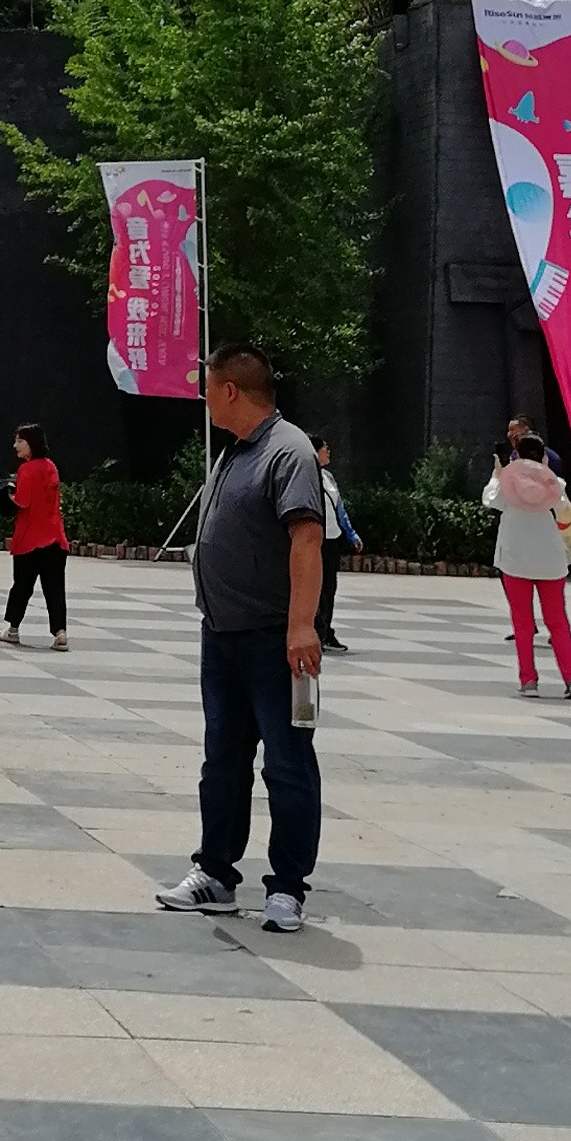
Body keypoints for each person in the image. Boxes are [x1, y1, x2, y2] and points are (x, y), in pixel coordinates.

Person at [155, 340, 325, 933]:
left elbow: (307, 539)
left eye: (208, 389)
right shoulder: (236, 450)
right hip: (223, 634)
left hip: (273, 639)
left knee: (287, 762)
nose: (204, 400)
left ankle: (288, 889)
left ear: (230, 390)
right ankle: (216, 875)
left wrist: (302, 625)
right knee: (223, 761)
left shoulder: (288, 451)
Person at [483, 433, 571, 700]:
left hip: (515, 558)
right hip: (550, 560)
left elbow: (491, 500)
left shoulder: (506, 484)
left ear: (516, 455)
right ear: (543, 457)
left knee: (522, 623)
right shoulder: (555, 483)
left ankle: (529, 680)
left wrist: (497, 474)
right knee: (557, 621)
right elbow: (563, 508)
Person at [0, 423, 68, 648]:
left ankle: (13, 629)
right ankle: (60, 633)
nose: (15, 445)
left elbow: (23, 501)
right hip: (55, 537)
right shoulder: (51, 466)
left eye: (20, 441)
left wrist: (8, 495)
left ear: (32, 443)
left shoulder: (27, 469)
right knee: (54, 588)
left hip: (30, 539)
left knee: (22, 586)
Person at [314, 437, 358, 651]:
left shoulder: (328, 477)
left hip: (332, 539)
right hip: (315, 541)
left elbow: (339, 508)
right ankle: (317, 632)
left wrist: (351, 534)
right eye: (325, 448)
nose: (328, 451)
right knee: (316, 589)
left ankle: (326, 631)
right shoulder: (306, 476)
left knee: (329, 588)